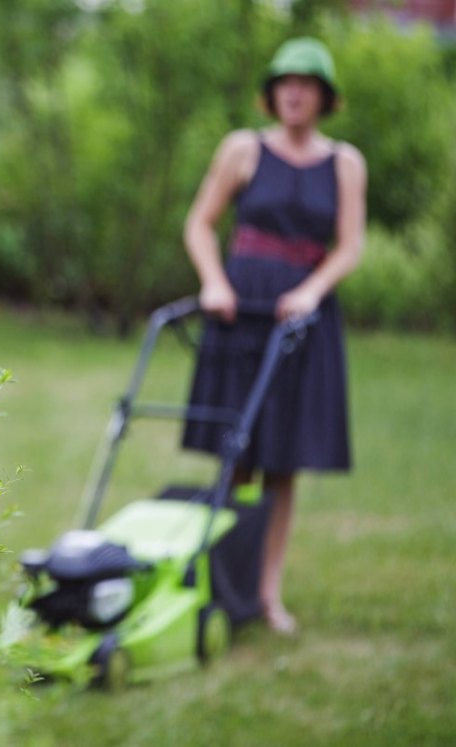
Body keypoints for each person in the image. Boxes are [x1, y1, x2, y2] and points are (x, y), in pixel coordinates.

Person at [181, 38, 366, 634]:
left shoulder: (345, 163)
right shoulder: (242, 149)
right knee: (236, 452)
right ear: (272, 91)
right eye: (285, 81)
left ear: (323, 96)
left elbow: (351, 245)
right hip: (241, 306)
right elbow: (200, 223)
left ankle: (267, 594)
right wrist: (213, 281)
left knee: (283, 461)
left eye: (306, 83)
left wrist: (313, 290)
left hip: (301, 318)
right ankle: (219, 583)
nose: (294, 91)